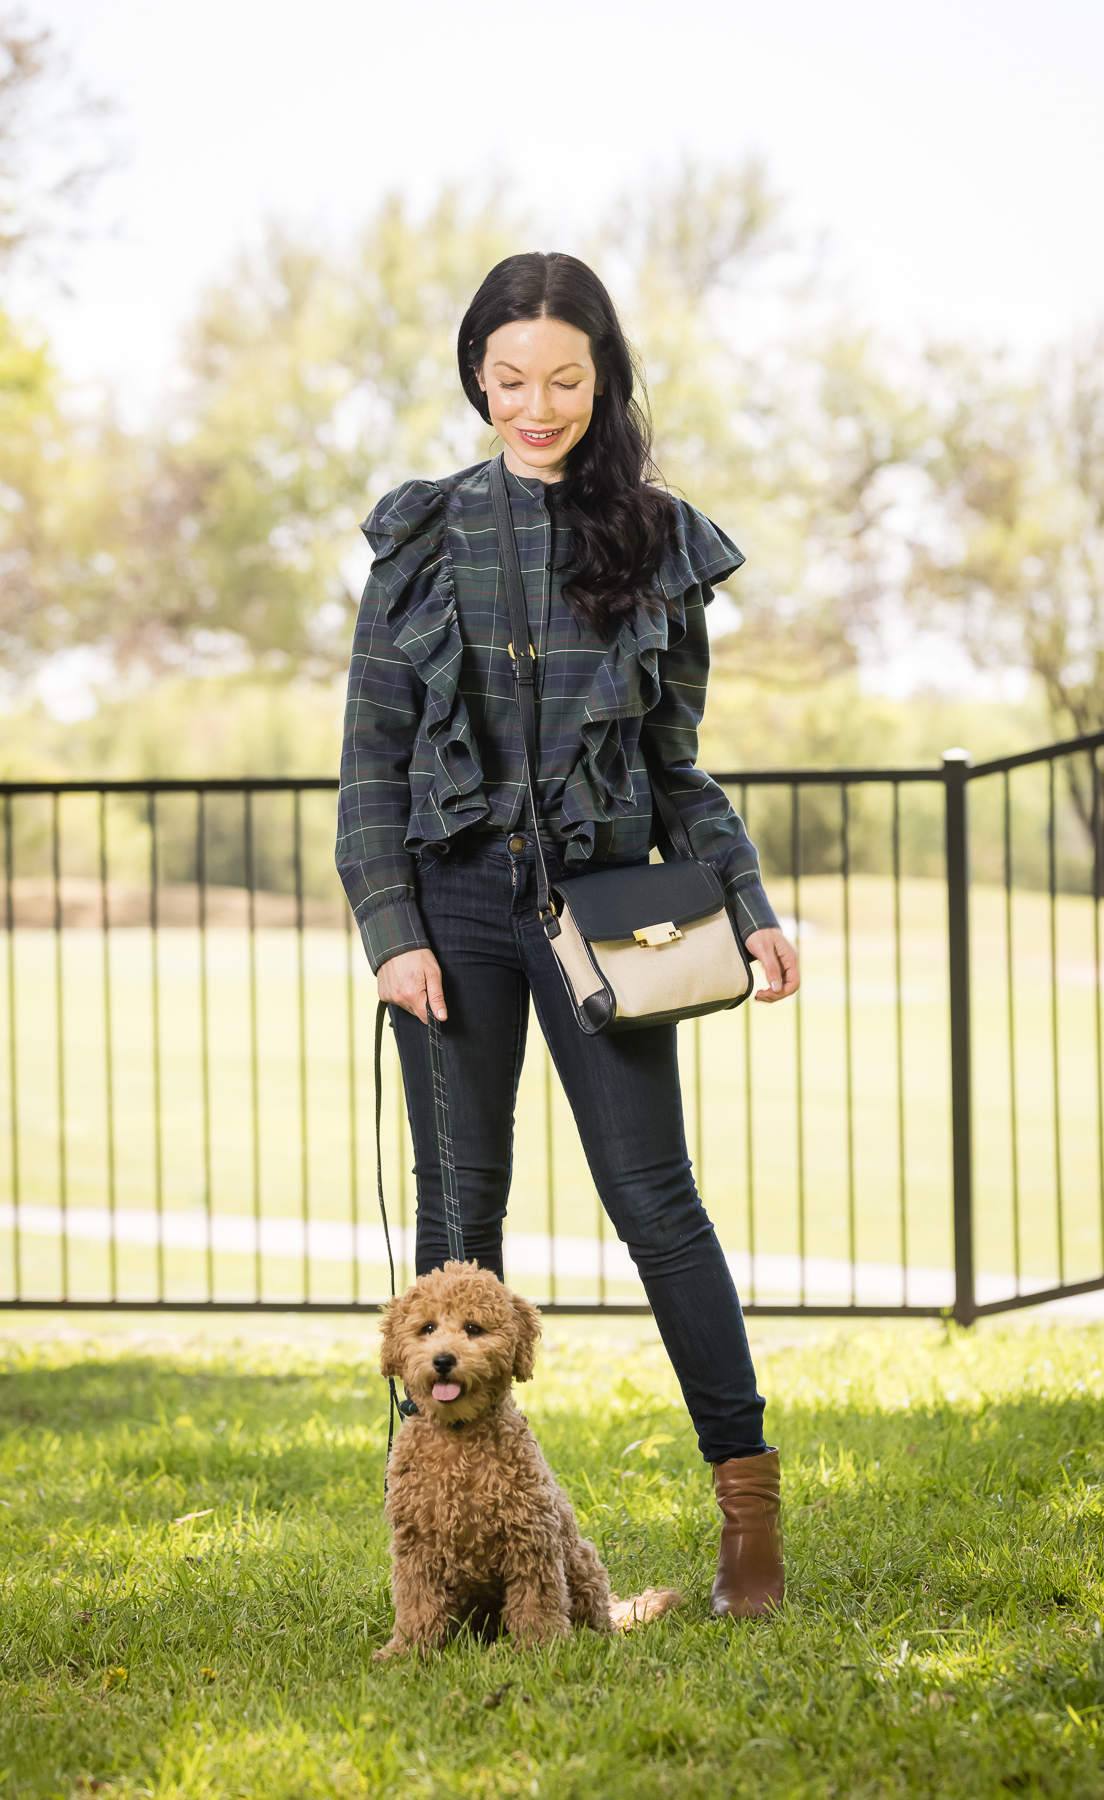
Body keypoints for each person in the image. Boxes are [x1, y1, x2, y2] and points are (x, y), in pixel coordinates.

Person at [336, 252, 800, 1619]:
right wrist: (390, 927)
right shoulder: (422, 535)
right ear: (475, 378)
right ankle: (433, 1562)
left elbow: (676, 764)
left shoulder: (654, 538)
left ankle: (749, 1532)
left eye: (565, 380)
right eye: (508, 381)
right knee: (453, 1222)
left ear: (603, 379)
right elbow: (369, 758)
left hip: (611, 919)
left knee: (659, 1206)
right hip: (455, 911)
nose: (536, 406)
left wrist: (752, 907)